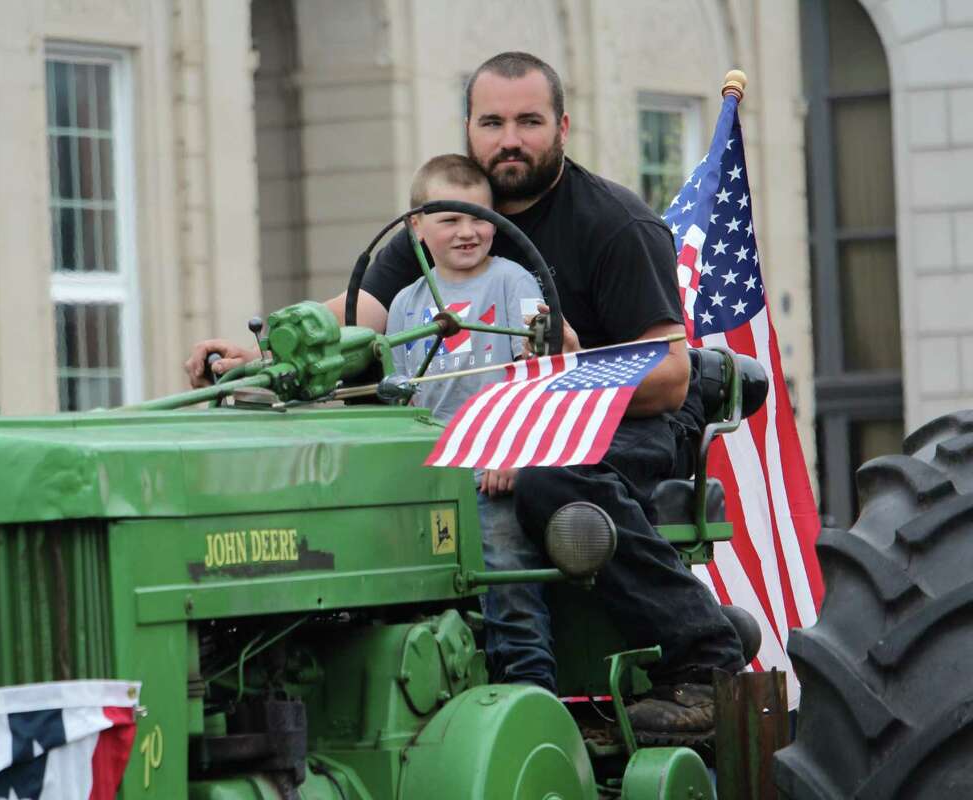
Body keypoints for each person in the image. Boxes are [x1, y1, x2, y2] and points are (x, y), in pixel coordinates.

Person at [184, 51, 743, 741]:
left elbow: (669, 375)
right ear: (470, 129)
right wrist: (263, 352)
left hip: (617, 420)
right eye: (493, 121)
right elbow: (362, 309)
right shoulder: (452, 219)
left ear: (562, 126)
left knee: (546, 476)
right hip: (475, 427)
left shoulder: (613, 224)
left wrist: (536, 412)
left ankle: (702, 661)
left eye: (529, 121)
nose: (511, 138)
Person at [384, 153, 551, 692]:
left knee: (506, 582)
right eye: (449, 219)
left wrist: (510, 449)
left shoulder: (513, 281)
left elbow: (538, 370)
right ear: (416, 228)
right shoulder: (407, 304)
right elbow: (404, 396)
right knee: (429, 592)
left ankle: (530, 689)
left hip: (492, 469)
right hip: (434, 473)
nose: (467, 232)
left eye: (478, 217)